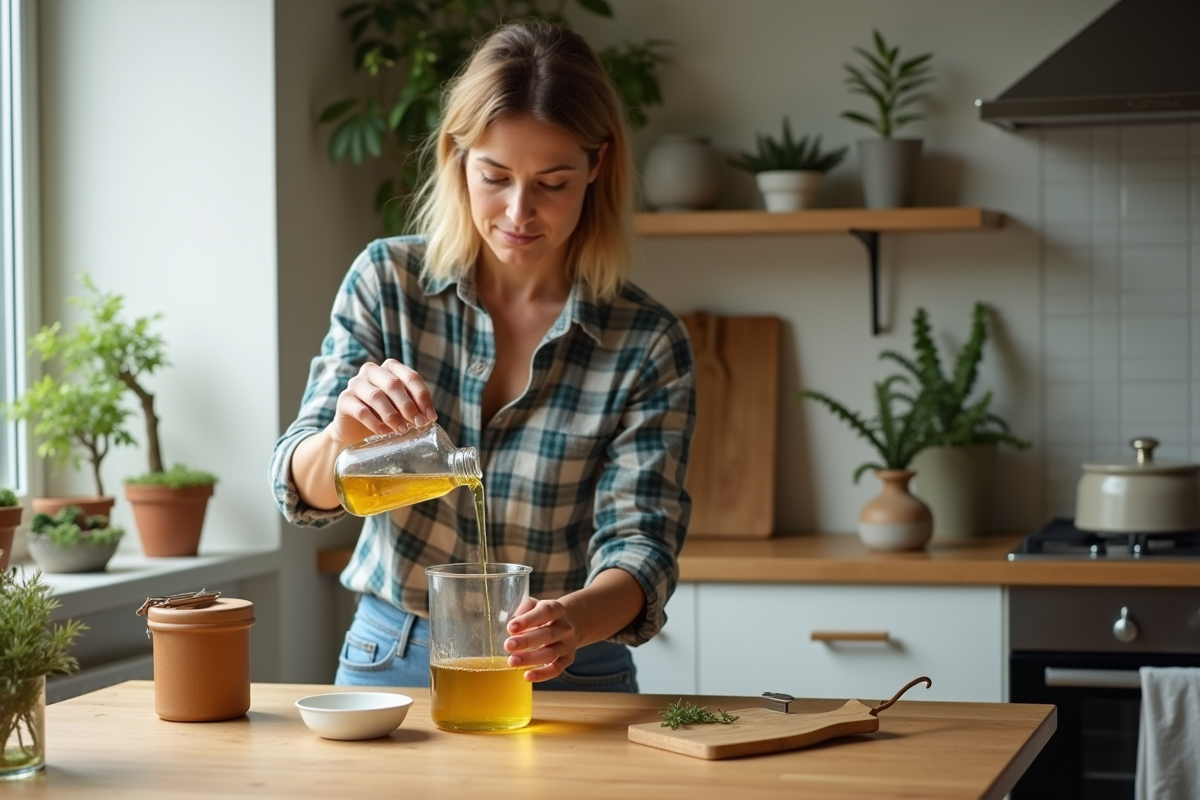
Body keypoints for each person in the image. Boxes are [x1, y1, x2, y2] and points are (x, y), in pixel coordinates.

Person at [269, 20, 695, 693]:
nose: (519, 212)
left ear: (597, 166)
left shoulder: (645, 343)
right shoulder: (387, 282)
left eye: (552, 183)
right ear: (456, 156)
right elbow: (301, 491)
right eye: (494, 176)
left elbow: (642, 547)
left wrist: (570, 622)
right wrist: (342, 437)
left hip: (573, 664)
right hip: (393, 655)